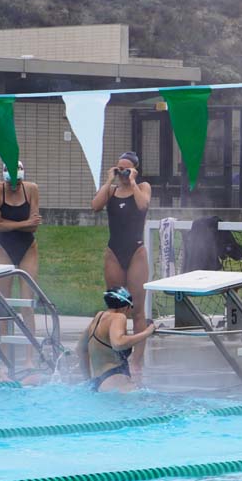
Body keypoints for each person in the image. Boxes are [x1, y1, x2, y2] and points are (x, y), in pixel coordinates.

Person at [90, 151, 152, 373]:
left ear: (135, 170)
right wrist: (109, 180)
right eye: (119, 169)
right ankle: (115, 357)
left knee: (137, 310)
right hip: (114, 253)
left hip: (136, 252)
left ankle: (137, 362)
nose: (122, 173)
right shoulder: (111, 190)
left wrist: (132, 181)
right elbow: (95, 206)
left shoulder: (142, 187)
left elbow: (143, 206)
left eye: (126, 169)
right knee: (116, 309)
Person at [0, 161, 41, 367]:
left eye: (17, 183)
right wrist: (24, 224)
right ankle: (5, 359)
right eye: (10, 184)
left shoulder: (31, 189)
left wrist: (10, 225)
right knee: (4, 305)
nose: (14, 187)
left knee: (27, 305)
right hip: (3, 249)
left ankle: (30, 359)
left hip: (28, 249)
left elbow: (34, 227)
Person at [74, 287, 157, 392]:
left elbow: (80, 349)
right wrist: (147, 332)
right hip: (115, 378)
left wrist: (88, 379)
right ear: (125, 307)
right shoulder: (119, 317)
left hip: (97, 382)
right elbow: (118, 343)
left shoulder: (98, 317)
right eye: (131, 307)